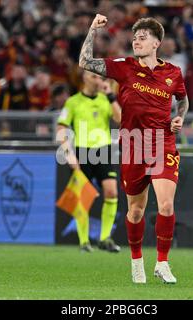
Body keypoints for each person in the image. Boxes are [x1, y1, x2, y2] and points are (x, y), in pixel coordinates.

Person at [79, 15, 189, 284]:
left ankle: (162, 262)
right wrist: (92, 29)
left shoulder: (173, 72)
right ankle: (137, 261)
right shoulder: (124, 66)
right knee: (136, 212)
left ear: (156, 43)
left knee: (165, 205)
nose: (136, 41)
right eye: (135, 37)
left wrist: (180, 117)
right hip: (134, 146)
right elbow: (84, 62)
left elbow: (183, 100)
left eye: (142, 38)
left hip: (163, 142)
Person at [57, 70, 122, 253]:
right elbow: (61, 128)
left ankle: (105, 238)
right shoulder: (73, 102)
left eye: (100, 77)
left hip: (104, 150)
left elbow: (120, 119)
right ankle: (84, 242)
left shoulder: (105, 100)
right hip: (82, 152)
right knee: (82, 199)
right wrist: (69, 155)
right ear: (85, 78)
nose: (98, 80)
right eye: (94, 76)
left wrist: (110, 95)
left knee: (111, 192)